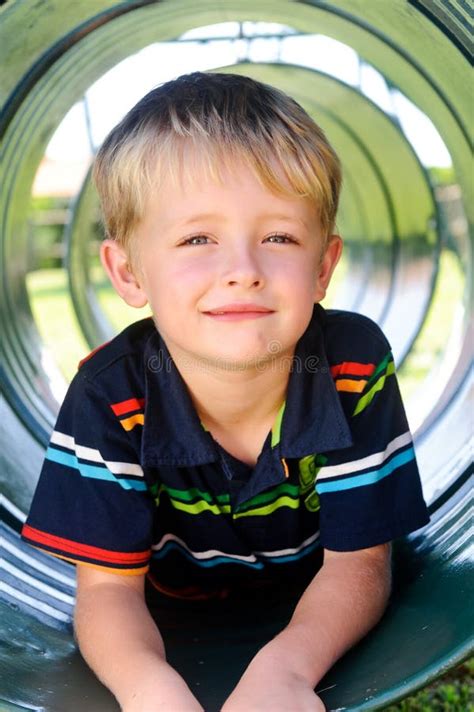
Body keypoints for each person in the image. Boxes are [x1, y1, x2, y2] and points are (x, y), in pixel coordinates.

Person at [22, 71, 430, 711]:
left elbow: (359, 565)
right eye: (196, 239)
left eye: (279, 237)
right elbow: (105, 592)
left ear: (323, 266)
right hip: (174, 609)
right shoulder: (113, 395)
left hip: (315, 594)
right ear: (128, 272)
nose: (242, 270)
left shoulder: (349, 365)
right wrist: (148, 690)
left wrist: (288, 671)